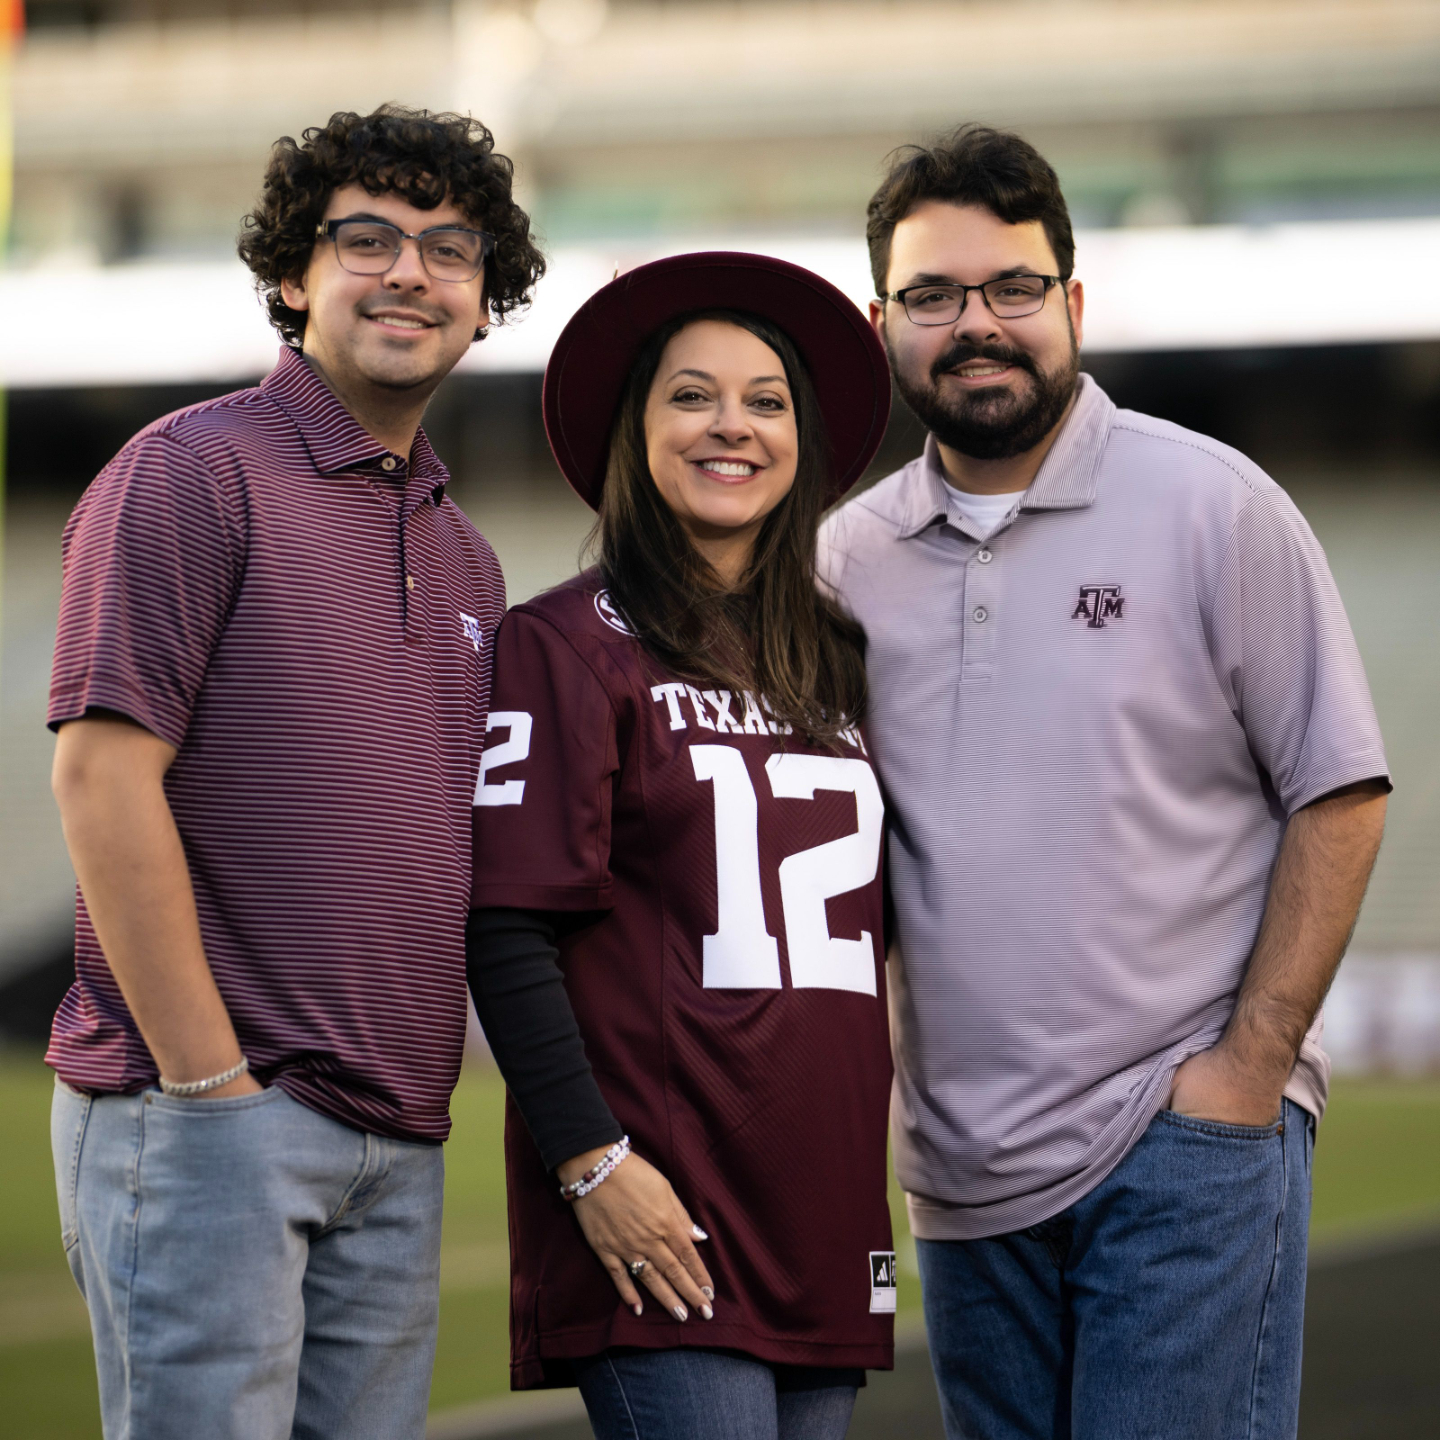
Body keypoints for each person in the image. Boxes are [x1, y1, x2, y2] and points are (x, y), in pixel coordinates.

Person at [820, 125, 1391, 1440]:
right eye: (932, 295)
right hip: (962, 1178)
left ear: (1072, 302)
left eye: (1013, 287)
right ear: (882, 325)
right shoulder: (843, 564)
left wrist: (1246, 1071)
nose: (977, 323)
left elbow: (1341, 792)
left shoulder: (1215, 506)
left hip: (1180, 1141)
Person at [46, 105, 544, 1440]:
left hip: (401, 1139)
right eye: (366, 239)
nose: (410, 273)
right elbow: (101, 781)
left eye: (451, 250)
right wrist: (210, 1086)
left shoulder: (469, 557)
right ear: (291, 273)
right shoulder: (189, 473)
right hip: (212, 1115)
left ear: (486, 297)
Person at [466, 252, 896, 1440]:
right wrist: (591, 1164)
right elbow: (505, 929)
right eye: (692, 396)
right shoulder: (562, 644)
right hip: (657, 1211)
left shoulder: (839, 660)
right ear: (636, 431)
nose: (732, 426)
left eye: (766, 401)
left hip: (820, 1212)